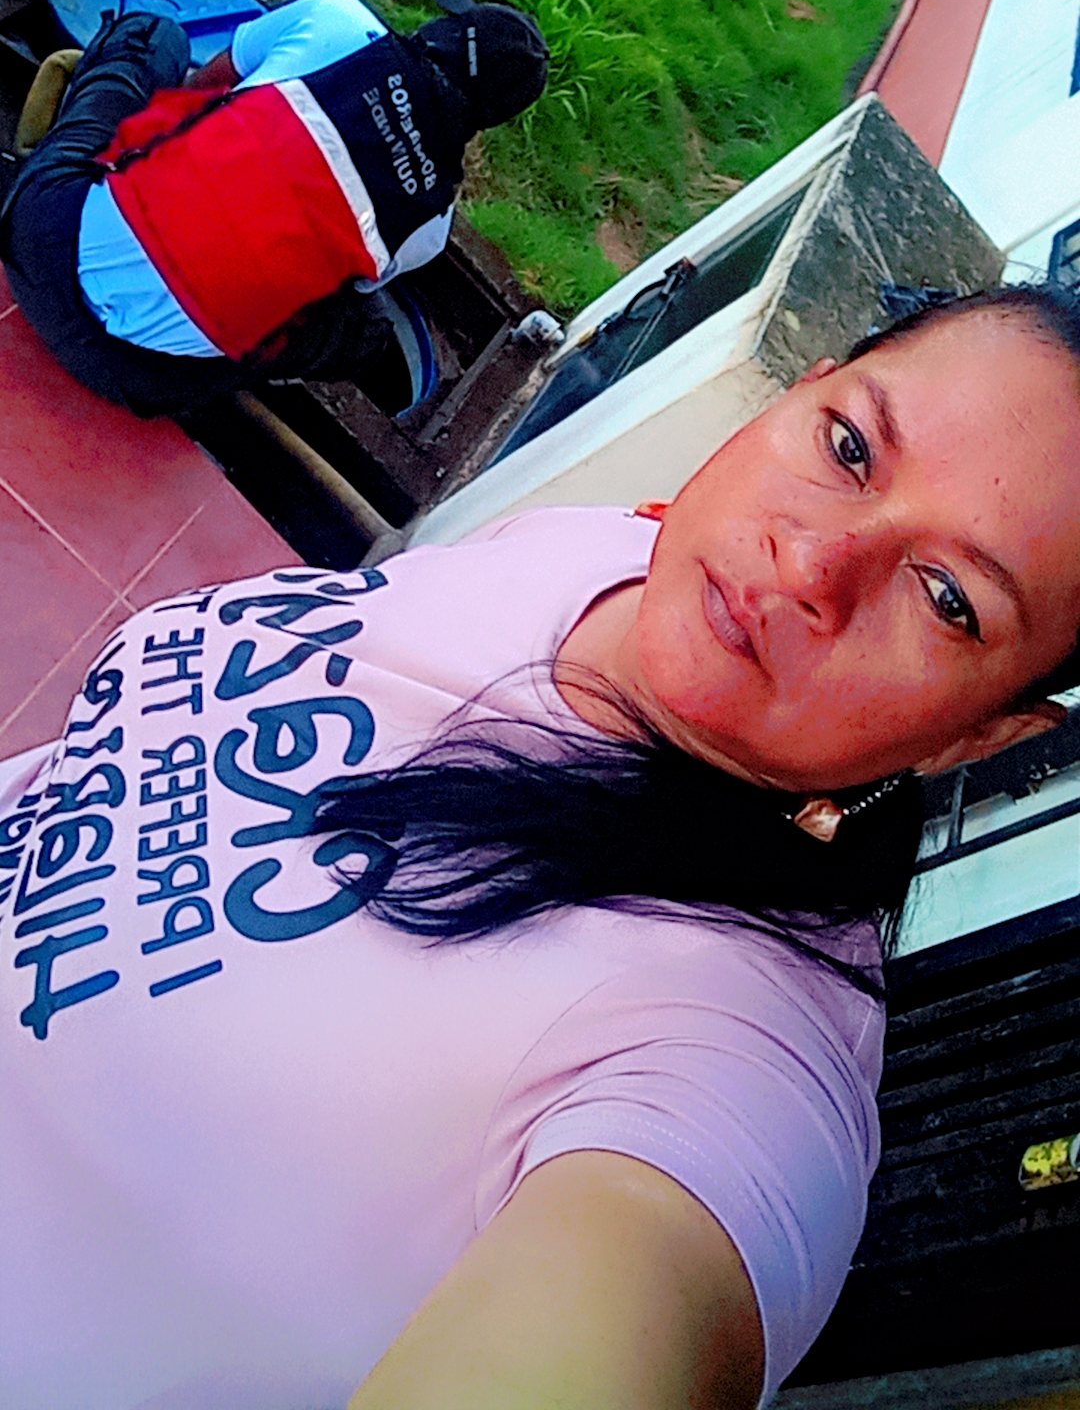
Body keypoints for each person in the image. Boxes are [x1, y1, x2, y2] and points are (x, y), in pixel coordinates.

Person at [2, 283, 1080, 1410]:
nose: (810, 564)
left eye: (948, 598)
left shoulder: (734, 1066)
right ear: (802, 392)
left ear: (983, 735)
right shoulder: (612, 557)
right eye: (850, 446)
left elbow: (628, 1294)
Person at [0, 0, 548, 417]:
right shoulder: (430, 225)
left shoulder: (338, 20)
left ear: (443, 33)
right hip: (135, 378)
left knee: (152, 36)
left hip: (36, 245)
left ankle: (39, 151)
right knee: (363, 328)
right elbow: (341, 290)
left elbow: (199, 90)